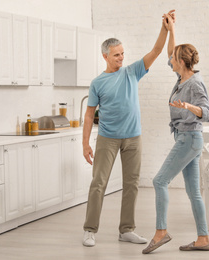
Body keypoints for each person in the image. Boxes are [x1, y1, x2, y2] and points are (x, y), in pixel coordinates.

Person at [82, 10, 176, 247]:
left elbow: (155, 52)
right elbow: (89, 114)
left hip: (133, 138)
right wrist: (85, 144)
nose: (121, 58)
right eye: (116, 55)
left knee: (132, 184)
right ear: (105, 56)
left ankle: (126, 230)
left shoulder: (132, 72)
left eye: (123, 53)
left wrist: (165, 28)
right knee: (98, 184)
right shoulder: (97, 83)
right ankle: (90, 230)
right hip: (107, 139)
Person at [142, 13, 209, 254]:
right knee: (193, 192)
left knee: (159, 181)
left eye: (173, 58)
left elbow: (208, 112)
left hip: (189, 138)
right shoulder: (182, 77)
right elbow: (173, 50)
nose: (170, 60)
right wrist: (172, 29)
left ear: (181, 62)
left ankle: (161, 232)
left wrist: (189, 107)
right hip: (188, 139)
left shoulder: (194, 83)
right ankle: (203, 239)